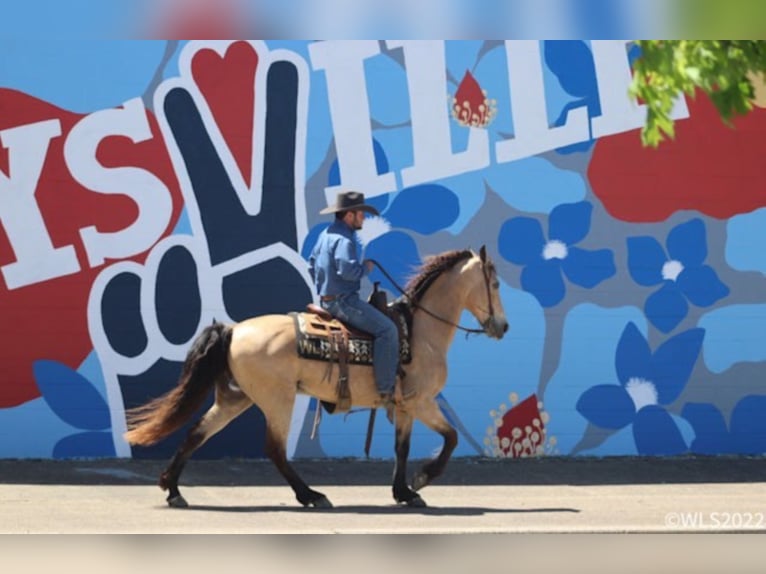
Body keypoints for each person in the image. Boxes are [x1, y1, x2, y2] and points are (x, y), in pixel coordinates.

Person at [308, 191, 400, 407]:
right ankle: (385, 390)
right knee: (388, 331)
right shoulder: (344, 240)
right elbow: (347, 271)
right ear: (349, 215)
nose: (364, 219)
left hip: (327, 300)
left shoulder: (325, 234)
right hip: (344, 303)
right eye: (361, 214)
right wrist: (365, 268)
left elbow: (311, 265)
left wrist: (325, 286)